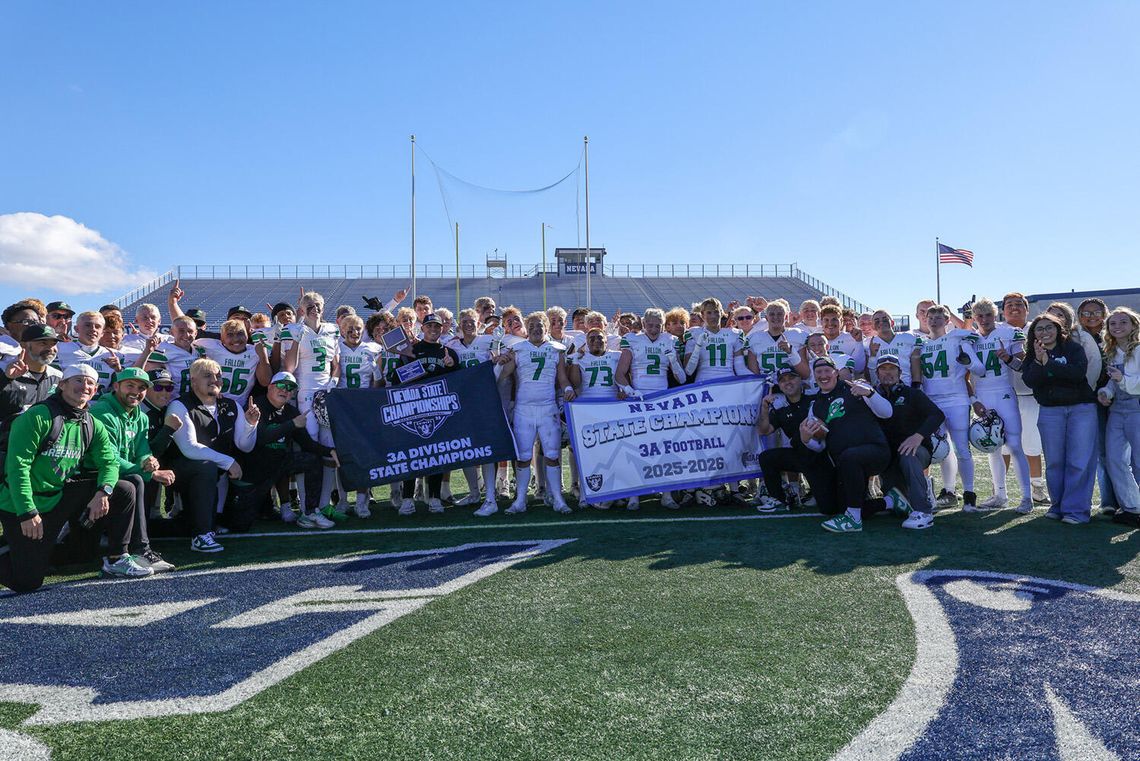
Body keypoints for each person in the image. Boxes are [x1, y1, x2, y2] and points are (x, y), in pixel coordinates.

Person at [0, 365, 148, 592]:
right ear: (62, 384)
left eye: (90, 383)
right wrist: (27, 512)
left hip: (59, 495)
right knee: (27, 582)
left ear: (96, 389)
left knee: (124, 488)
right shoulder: (37, 416)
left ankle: (117, 557)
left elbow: (109, 463)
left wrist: (103, 492)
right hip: (21, 502)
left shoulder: (91, 423)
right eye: (78, 380)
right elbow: (17, 467)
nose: (85, 386)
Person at [89, 367, 177, 572]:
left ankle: (136, 549)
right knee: (136, 480)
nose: (136, 391)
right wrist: (151, 472)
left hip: (117, 477)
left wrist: (149, 461)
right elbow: (108, 458)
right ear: (116, 386)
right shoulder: (102, 412)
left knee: (136, 479)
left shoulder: (141, 416)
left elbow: (142, 450)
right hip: (93, 476)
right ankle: (137, 549)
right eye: (130, 385)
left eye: (141, 387)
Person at [165, 358, 258, 551]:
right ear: (193, 382)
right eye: (207, 376)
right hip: (178, 474)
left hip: (214, 476)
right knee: (206, 466)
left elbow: (245, 446)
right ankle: (200, 535)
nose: (214, 380)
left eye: (218, 376)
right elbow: (189, 448)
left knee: (240, 521)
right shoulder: (180, 405)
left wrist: (250, 425)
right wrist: (228, 461)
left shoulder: (231, 405)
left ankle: (210, 520)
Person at [233, 371, 338, 529]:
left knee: (312, 459)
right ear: (269, 387)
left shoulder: (291, 412)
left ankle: (310, 512)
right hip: (254, 471)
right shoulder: (256, 407)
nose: (285, 390)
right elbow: (260, 438)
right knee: (239, 525)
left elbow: (307, 444)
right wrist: (292, 424)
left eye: (290, 388)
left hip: (279, 466)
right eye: (281, 385)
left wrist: (330, 451)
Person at [800, 357, 894, 533]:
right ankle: (891, 501)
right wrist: (806, 440)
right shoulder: (815, 406)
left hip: (875, 452)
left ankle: (853, 520)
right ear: (814, 376)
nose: (823, 375)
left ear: (836, 373)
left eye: (827, 370)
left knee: (850, 457)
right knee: (838, 507)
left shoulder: (854, 388)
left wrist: (870, 393)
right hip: (846, 465)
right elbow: (820, 446)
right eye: (819, 372)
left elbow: (887, 413)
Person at [1021, 312, 1097, 524]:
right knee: (1054, 462)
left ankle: (1076, 511)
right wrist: (1039, 361)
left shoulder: (1072, 348)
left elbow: (1077, 374)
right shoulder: (1032, 354)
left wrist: (1049, 365)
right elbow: (1031, 381)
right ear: (1033, 334)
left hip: (1081, 409)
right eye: (1040, 328)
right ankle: (1058, 505)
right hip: (1050, 410)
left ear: (1058, 329)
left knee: (1078, 461)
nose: (1045, 332)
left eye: (1049, 327)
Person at [497, 311, 574, 515]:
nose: (535, 330)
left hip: (548, 408)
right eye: (531, 327)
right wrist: (499, 362)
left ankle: (557, 498)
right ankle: (521, 500)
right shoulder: (517, 349)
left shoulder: (556, 349)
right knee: (523, 456)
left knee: (552, 454)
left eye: (539, 326)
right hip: (524, 409)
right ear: (527, 330)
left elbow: (563, 379)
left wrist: (568, 389)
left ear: (546, 328)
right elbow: (503, 376)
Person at [385, 313, 461, 514]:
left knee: (437, 454)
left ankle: (434, 497)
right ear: (423, 328)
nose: (433, 330)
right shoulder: (412, 350)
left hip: (439, 409)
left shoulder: (450, 352)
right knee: (413, 454)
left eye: (436, 326)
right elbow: (396, 379)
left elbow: (460, 382)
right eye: (429, 326)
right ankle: (408, 498)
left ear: (442, 328)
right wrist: (409, 363)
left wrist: (452, 366)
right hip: (413, 409)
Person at [281, 290, 341, 525]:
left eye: (318, 304)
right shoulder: (294, 330)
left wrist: (334, 380)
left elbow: (335, 364)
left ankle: (323, 504)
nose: (314, 307)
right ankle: (308, 508)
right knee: (310, 450)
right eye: (309, 304)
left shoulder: (331, 329)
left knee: (328, 448)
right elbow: (289, 366)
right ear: (301, 308)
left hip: (326, 394)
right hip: (305, 394)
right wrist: (296, 338)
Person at [918, 304, 986, 510]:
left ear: (948, 320)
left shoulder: (958, 339)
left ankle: (969, 494)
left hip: (956, 400)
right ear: (925, 320)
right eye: (931, 316)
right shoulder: (920, 343)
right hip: (931, 402)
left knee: (962, 449)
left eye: (940, 316)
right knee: (936, 449)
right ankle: (940, 492)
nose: (935, 320)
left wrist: (968, 362)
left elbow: (980, 369)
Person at [969, 298, 1033, 512]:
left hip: (1004, 393)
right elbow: (964, 375)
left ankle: (1027, 497)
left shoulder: (1009, 332)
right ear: (974, 318)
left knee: (1014, 446)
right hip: (982, 396)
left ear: (995, 315)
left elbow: (1023, 366)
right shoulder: (969, 338)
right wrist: (974, 400)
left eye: (988, 315)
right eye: (980, 316)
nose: (984, 319)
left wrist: (1007, 358)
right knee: (992, 447)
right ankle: (1000, 495)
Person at [870, 355, 946, 529]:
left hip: (914, 451)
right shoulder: (873, 396)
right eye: (883, 369)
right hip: (888, 456)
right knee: (899, 508)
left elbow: (937, 415)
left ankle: (924, 511)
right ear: (877, 373)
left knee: (908, 454)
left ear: (900, 373)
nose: (887, 373)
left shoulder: (913, 394)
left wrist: (917, 436)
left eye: (892, 369)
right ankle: (924, 487)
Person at [1001, 292, 1049, 504]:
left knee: (1031, 443)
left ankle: (1037, 486)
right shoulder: (996, 331)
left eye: (1019, 304)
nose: (1014, 308)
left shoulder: (1036, 329)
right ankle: (999, 488)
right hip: (1002, 395)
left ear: (1027, 309)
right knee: (1001, 444)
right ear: (1003, 310)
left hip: (1030, 394)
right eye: (1009, 304)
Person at [755, 367, 822, 513]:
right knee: (767, 457)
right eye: (783, 380)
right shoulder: (780, 408)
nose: (788, 383)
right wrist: (764, 408)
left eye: (791, 378)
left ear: (800, 380)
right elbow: (763, 430)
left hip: (822, 458)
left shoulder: (815, 398)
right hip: (802, 458)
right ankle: (778, 500)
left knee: (827, 505)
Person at [1098, 307, 1140, 526]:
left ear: (1134, 325)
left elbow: (1133, 382)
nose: (1117, 327)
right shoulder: (1112, 351)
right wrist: (1105, 393)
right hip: (1117, 411)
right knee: (1115, 460)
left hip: (1137, 409)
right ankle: (1132, 507)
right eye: (1113, 323)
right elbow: (1112, 382)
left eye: (1123, 322)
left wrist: (1122, 379)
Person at [1077, 297, 1116, 514]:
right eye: (1086, 312)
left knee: (1120, 452)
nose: (1091, 316)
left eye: (1096, 312)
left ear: (1104, 314)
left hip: (1118, 398)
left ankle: (1128, 499)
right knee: (1101, 451)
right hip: (1089, 398)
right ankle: (1109, 501)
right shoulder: (1075, 338)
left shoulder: (1114, 334)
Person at [1, 325, 63, 453]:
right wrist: (5, 378)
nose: (50, 349)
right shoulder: (5, 371)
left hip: (40, 454)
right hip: (6, 451)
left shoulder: (59, 377)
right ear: (23, 345)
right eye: (43, 343)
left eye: (53, 344)